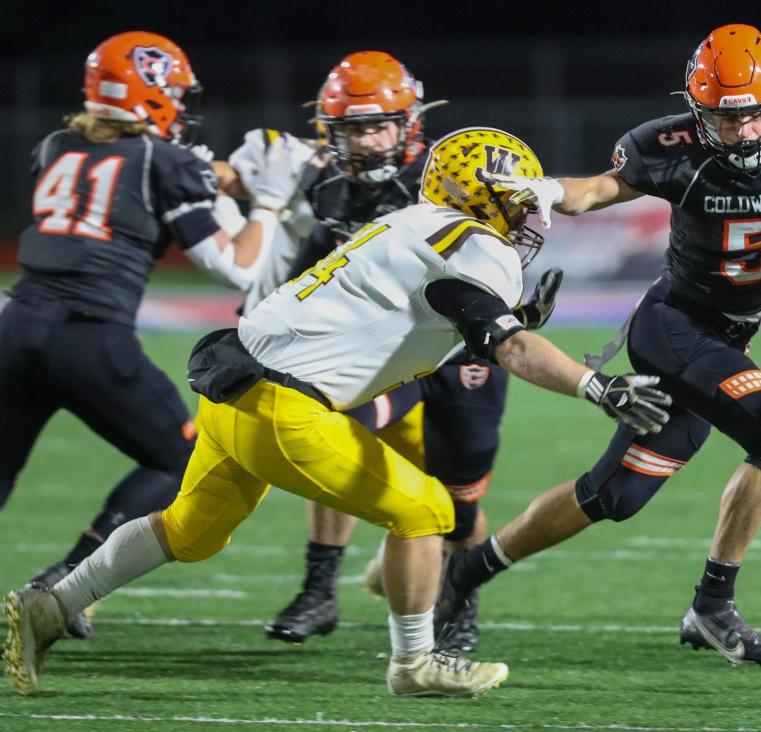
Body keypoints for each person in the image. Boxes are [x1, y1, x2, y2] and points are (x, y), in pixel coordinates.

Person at [3, 126, 672, 698]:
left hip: (235, 382)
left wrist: (507, 318)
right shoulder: (475, 246)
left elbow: (414, 327)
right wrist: (597, 386)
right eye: (515, 201)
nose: (530, 217)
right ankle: (414, 663)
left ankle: (51, 604)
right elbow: (511, 347)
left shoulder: (412, 221)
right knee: (429, 511)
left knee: (191, 531)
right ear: (483, 198)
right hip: (283, 407)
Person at [434, 23, 761, 668]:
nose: (742, 130)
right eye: (724, 118)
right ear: (698, 111)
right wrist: (551, 189)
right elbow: (598, 191)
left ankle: (467, 574)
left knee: (613, 497)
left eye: (754, 115)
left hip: (729, 335)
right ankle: (713, 607)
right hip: (674, 328)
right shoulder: (670, 147)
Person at [216, 51, 563, 653]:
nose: (368, 142)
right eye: (352, 129)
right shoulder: (326, 184)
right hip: (385, 352)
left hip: (461, 352)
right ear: (329, 131)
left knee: (459, 492)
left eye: (377, 126)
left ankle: (457, 603)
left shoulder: (448, 176)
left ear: (409, 124)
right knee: (327, 426)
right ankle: (320, 586)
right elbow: (314, 268)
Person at [0, 32, 297, 637]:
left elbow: (126, 176)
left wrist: (209, 175)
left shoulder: (55, 144)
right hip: (91, 340)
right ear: (154, 92)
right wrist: (265, 203)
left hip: (16, 326)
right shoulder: (164, 161)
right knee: (180, 455)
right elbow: (234, 266)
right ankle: (68, 578)